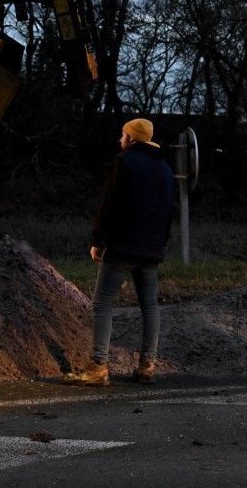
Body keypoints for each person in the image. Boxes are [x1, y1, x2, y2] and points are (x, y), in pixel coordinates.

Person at [63, 118, 175, 387]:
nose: (119, 139)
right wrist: (160, 243)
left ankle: (98, 367)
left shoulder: (123, 163)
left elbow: (110, 205)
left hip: (123, 245)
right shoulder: (165, 169)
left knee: (102, 303)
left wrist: (98, 240)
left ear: (133, 138)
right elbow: (169, 211)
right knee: (149, 305)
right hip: (152, 249)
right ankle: (147, 366)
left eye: (123, 134)